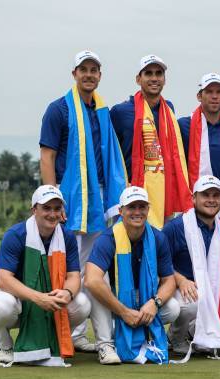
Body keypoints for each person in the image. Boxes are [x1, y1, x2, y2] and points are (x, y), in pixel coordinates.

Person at [39, 50, 127, 352]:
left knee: (95, 271)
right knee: (65, 270)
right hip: (72, 200)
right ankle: (59, 334)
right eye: (83, 69)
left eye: (94, 70)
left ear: (100, 75)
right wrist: (52, 200)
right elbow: (47, 156)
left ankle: (81, 336)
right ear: (74, 73)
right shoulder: (58, 109)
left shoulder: (103, 111)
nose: (89, 74)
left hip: (100, 198)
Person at [0, 185, 90, 365]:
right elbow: (3, 280)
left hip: (50, 295)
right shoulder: (15, 235)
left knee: (82, 304)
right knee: (0, 306)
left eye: (57, 209)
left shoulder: (67, 236)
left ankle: (54, 338)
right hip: (15, 297)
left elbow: (73, 276)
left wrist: (68, 293)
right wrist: (38, 298)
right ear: (34, 210)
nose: (52, 214)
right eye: (46, 208)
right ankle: (3, 342)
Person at [84, 187, 179, 364]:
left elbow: (169, 281)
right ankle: (106, 344)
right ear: (121, 211)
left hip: (144, 299)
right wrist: (124, 311)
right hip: (113, 300)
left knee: (172, 307)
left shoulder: (158, 238)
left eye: (141, 207)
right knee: (97, 281)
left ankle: (145, 335)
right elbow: (91, 280)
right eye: (131, 207)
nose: (137, 212)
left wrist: (154, 303)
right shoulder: (108, 238)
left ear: (148, 209)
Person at [162, 175, 220, 359]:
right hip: (182, 287)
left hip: (214, 288)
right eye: (205, 195)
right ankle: (176, 337)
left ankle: (195, 332)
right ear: (194, 198)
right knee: (192, 303)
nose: (211, 200)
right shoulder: (175, 227)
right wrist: (181, 280)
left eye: (216, 195)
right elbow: (160, 264)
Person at [110, 55, 192, 229]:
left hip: (164, 193)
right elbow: (112, 155)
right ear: (138, 79)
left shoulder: (168, 109)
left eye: (159, 73)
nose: (154, 78)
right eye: (148, 73)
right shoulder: (120, 112)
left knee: (161, 246)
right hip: (132, 193)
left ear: (164, 79)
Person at [177, 73, 220, 221]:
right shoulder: (184, 125)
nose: (214, 96)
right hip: (191, 205)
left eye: (219, 92)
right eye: (209, 92)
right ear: (199, 96)